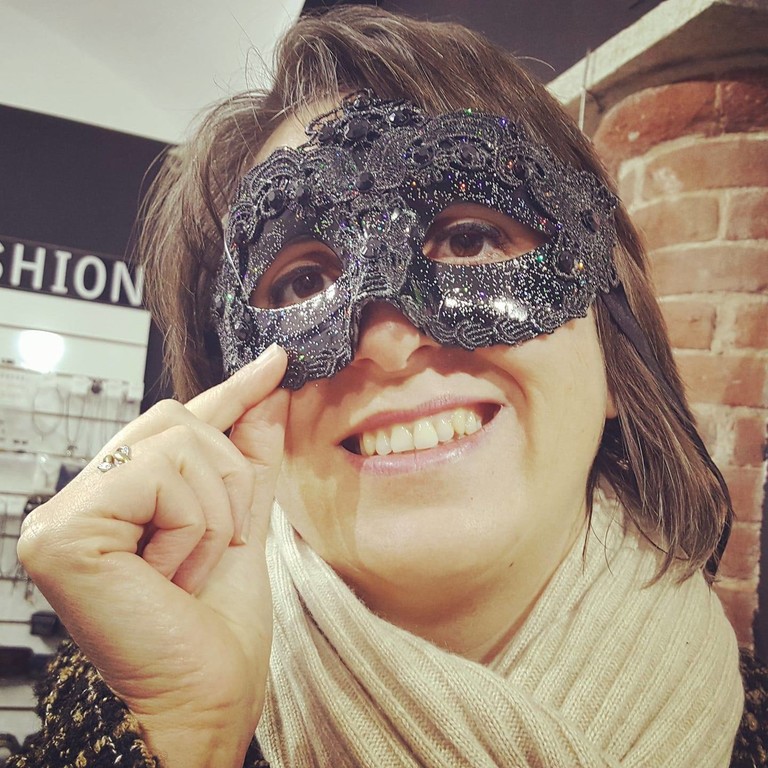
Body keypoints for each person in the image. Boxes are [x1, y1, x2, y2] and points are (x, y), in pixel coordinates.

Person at [10, 6, 759, 767]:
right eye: (303, 283)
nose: (390, 342)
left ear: (614, 351)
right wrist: (183, 742)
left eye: (470, 238)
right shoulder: (147, 712)